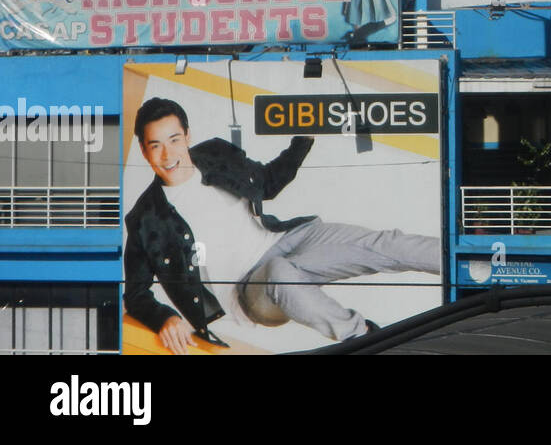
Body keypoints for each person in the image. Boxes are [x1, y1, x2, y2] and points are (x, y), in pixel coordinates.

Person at [123, 97, 440, 354]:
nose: (168, 155)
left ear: (188, 136)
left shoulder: (214, 154)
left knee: (383, 243)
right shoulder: (145, 217)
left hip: (285, 239)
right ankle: (368, 340)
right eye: (155, 145)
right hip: (249, 291)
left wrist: (303, 140)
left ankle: (467, 260)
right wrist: (164, 317)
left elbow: (268, 183)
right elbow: (135, 294)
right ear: (143, 149)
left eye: (174, 140)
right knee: (280, 272)